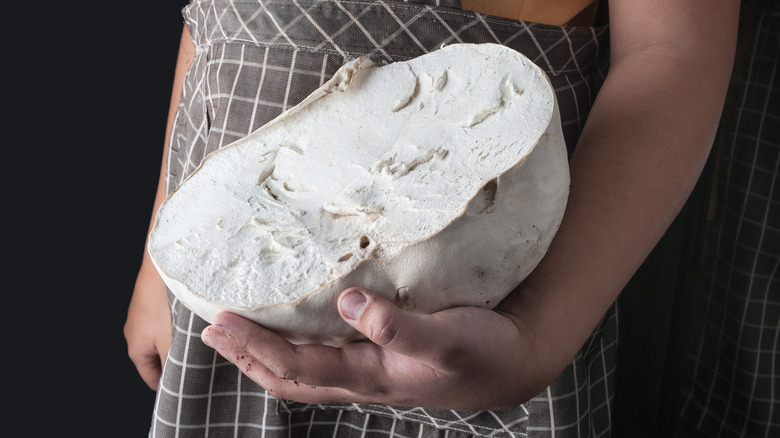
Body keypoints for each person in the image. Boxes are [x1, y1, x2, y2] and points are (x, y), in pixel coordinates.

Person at [124, 0, 739, 436]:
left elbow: (671, 47)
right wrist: (161, 256)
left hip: (490, 325)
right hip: (231, 278)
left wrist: (538, 338)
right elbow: (215, 25)